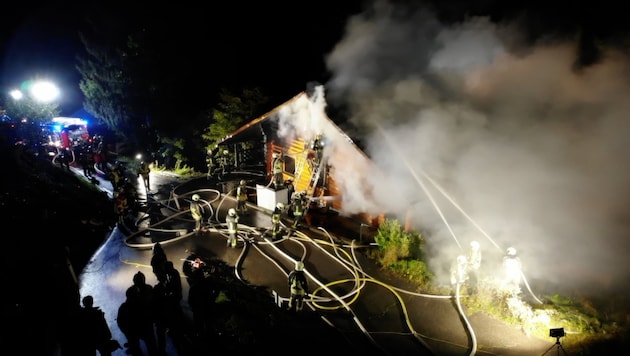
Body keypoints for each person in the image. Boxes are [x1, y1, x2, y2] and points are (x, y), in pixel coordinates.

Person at [120, 271, 158, 356]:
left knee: (140, 344)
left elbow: (122, 321)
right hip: (146, 324)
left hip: (138, 326)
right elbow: (154, 304)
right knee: (150, 343)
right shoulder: (148, 288)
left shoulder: (131, 292)